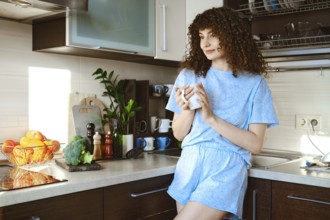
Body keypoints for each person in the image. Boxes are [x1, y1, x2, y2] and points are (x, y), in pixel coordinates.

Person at [165, 7, 279, 220]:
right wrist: (188, 110)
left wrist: (211, 118)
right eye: (201, 37)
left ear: (232, 36)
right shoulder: (188, 75)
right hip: (190, 164)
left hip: (226, 168)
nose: (205, 43)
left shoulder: (255, 84)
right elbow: (179, 134)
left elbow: (256, 145)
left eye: (213, 35)